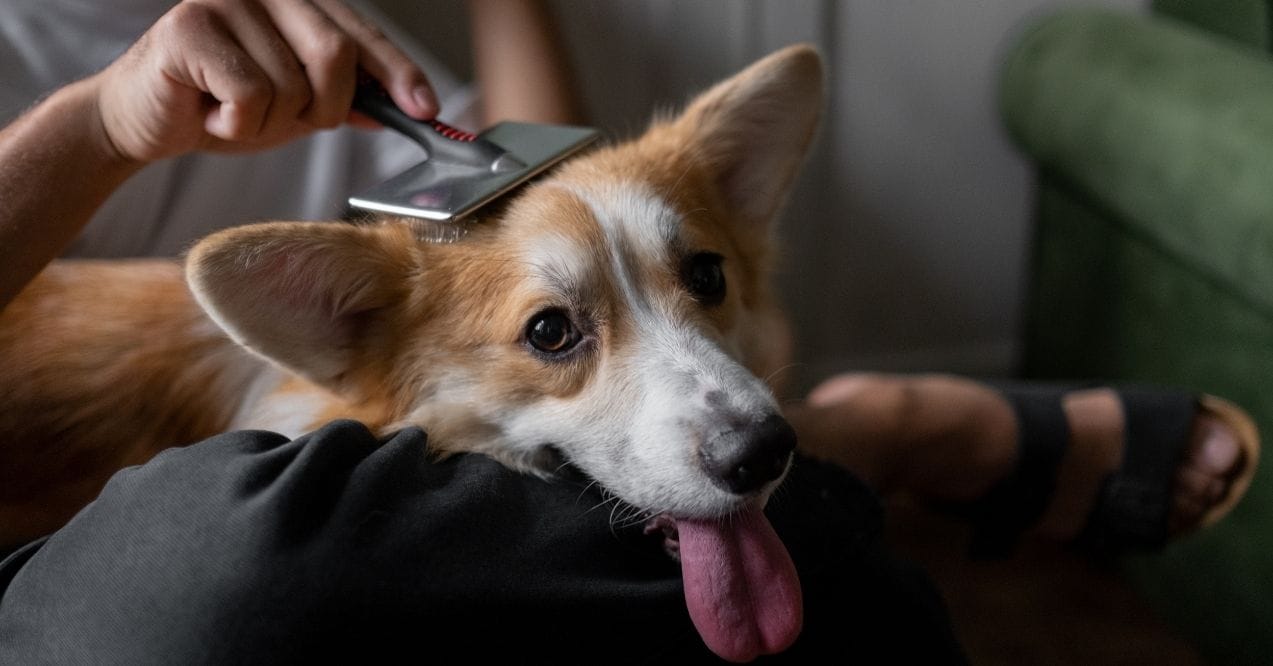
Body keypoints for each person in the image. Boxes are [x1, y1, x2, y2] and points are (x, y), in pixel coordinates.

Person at [0, 1, 1259, 662]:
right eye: (559, 333)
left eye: (706, 278)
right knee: (233, 579)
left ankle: (852, 448)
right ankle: (866, 444)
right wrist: (99, 128)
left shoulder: (323, 29)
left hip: (414, 362)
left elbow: (552, 189)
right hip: (204, 493)